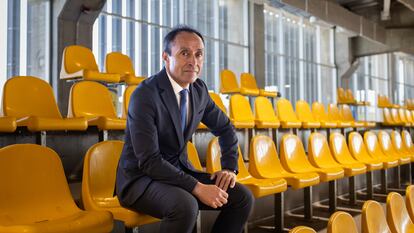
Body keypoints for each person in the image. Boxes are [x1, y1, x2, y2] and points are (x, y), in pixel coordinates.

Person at [116, 25, 254, 233]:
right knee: (185, 205)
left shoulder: (198, 90)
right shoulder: (145, 95)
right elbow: (149, 161)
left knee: (242, 197)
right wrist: (197, 187)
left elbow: (225, 128)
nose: (193, 61)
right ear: (166, 57)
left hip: (178, 171)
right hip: (141, 179)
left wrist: (229, 168)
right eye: (184, 53)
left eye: (199, 54)